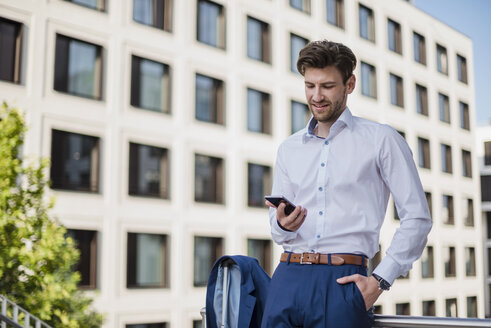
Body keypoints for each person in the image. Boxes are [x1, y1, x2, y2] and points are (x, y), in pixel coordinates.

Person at [261, 40, 432, 327]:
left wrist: (380, 280)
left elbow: (417, 218)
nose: (316, 96)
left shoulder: (381, 139)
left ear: (349, 84)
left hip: (342, 282)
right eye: (309, 86)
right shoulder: (289, 148)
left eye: (327, 86)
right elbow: (278, 232)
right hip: (286, 278)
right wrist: (282, 224)